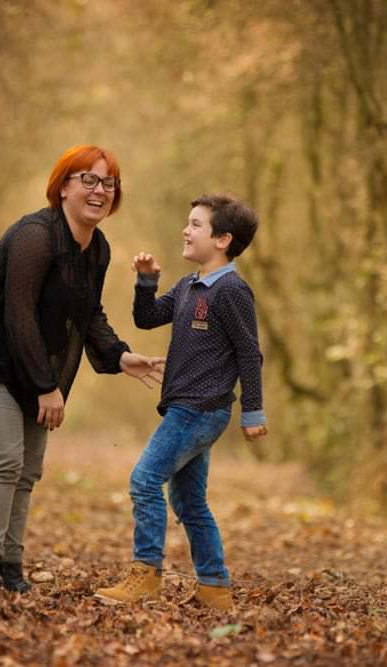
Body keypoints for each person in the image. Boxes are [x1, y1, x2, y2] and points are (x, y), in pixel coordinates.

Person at [0, 145, 165, 594]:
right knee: (3, 456)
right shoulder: (35, 236)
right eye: (89, 180)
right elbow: (18, 314)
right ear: (63, 187)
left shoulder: (96, 249)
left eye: (109, 183)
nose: (100, 190)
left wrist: (120, 356)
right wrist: (47, 386)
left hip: (27, 364)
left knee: (28, 468)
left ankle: (8, 564)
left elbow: (88, 314)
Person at [94, 193, 267, 611]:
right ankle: (214, 588)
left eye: (195, 224)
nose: (185, 231)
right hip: (184, 407)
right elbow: (146, 318)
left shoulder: (231, 290)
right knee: (189, 502)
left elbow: (249, 353)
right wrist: (146, 281)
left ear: (223, 239)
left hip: (201, 408)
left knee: (144, 480)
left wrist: (253, 411)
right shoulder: (190, 286)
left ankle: (146, 574)